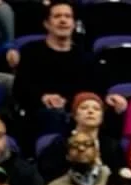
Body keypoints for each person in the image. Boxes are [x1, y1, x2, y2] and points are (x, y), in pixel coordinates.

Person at [10, 1, 97, 134]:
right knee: (53, 116)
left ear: (74, 24)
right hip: (39, 112)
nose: (63, 20)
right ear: (47, 24)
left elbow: (90, 90)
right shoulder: (31, 51)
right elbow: (20, 89)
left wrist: (67, 101)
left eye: (68, 17)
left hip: (75, 112)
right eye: (57, 16)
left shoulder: (84, 56)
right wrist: (43, 97)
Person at [36, 92, 125, 183]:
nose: (90, 111)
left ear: (102, 117)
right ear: (75, 115)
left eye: (96, 109)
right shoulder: (61, 144)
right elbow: (48, 175)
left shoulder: (112, 145)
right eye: (84, 108)